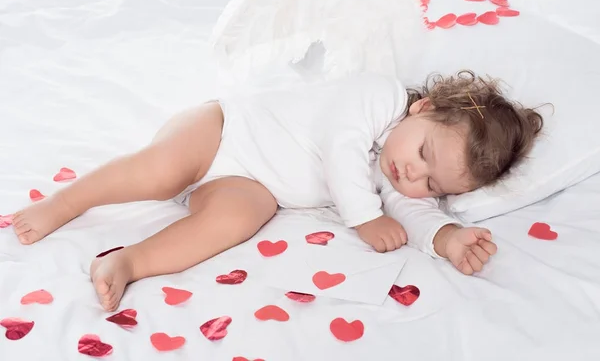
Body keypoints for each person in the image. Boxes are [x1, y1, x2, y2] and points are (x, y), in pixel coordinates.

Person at [11, 69, 543, 312]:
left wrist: (446, 236)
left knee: (237, 219)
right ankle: (65, 203)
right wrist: (363, 218)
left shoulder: (397, 172)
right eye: (423, 155)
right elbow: (340, 149)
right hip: (223, 130)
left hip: (248, 181)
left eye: (434, 184)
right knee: (160, 173)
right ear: (422, 109)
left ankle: (128, 262)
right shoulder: (378, 96)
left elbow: (406, 210)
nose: (413, 177)